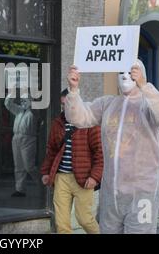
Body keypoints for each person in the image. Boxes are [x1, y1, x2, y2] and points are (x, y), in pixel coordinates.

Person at [65, 59, 159, 234]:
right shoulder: (107, 104)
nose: (125, 75)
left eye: (131, 71)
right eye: (121, 72)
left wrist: (145, 86)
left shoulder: (148, 104)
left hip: (142, 191)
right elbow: (79, 117)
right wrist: (73, 90)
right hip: (111, 193)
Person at [40, 89, 103, 234]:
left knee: (84, 219)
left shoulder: (89, 122)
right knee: (61, 223)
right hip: (61, 178)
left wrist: (95, 177)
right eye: (62, 104)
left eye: (67, 103)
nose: (65, 107)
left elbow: (100, 152)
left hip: (83, 178)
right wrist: (46, 172)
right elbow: (51, 150)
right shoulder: (58, 123)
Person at [4, 94, 41, 197]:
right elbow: (7, 104)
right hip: (16, 137)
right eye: (22, 101)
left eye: (25, 101)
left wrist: (29, 98)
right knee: (18, 166)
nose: (23, 103)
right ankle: (20, 189)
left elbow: (33, 108)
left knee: (29, 167)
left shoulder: (34, 112)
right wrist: (12, 93)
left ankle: (44, 185)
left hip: (28, 138)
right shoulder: (19, 111)